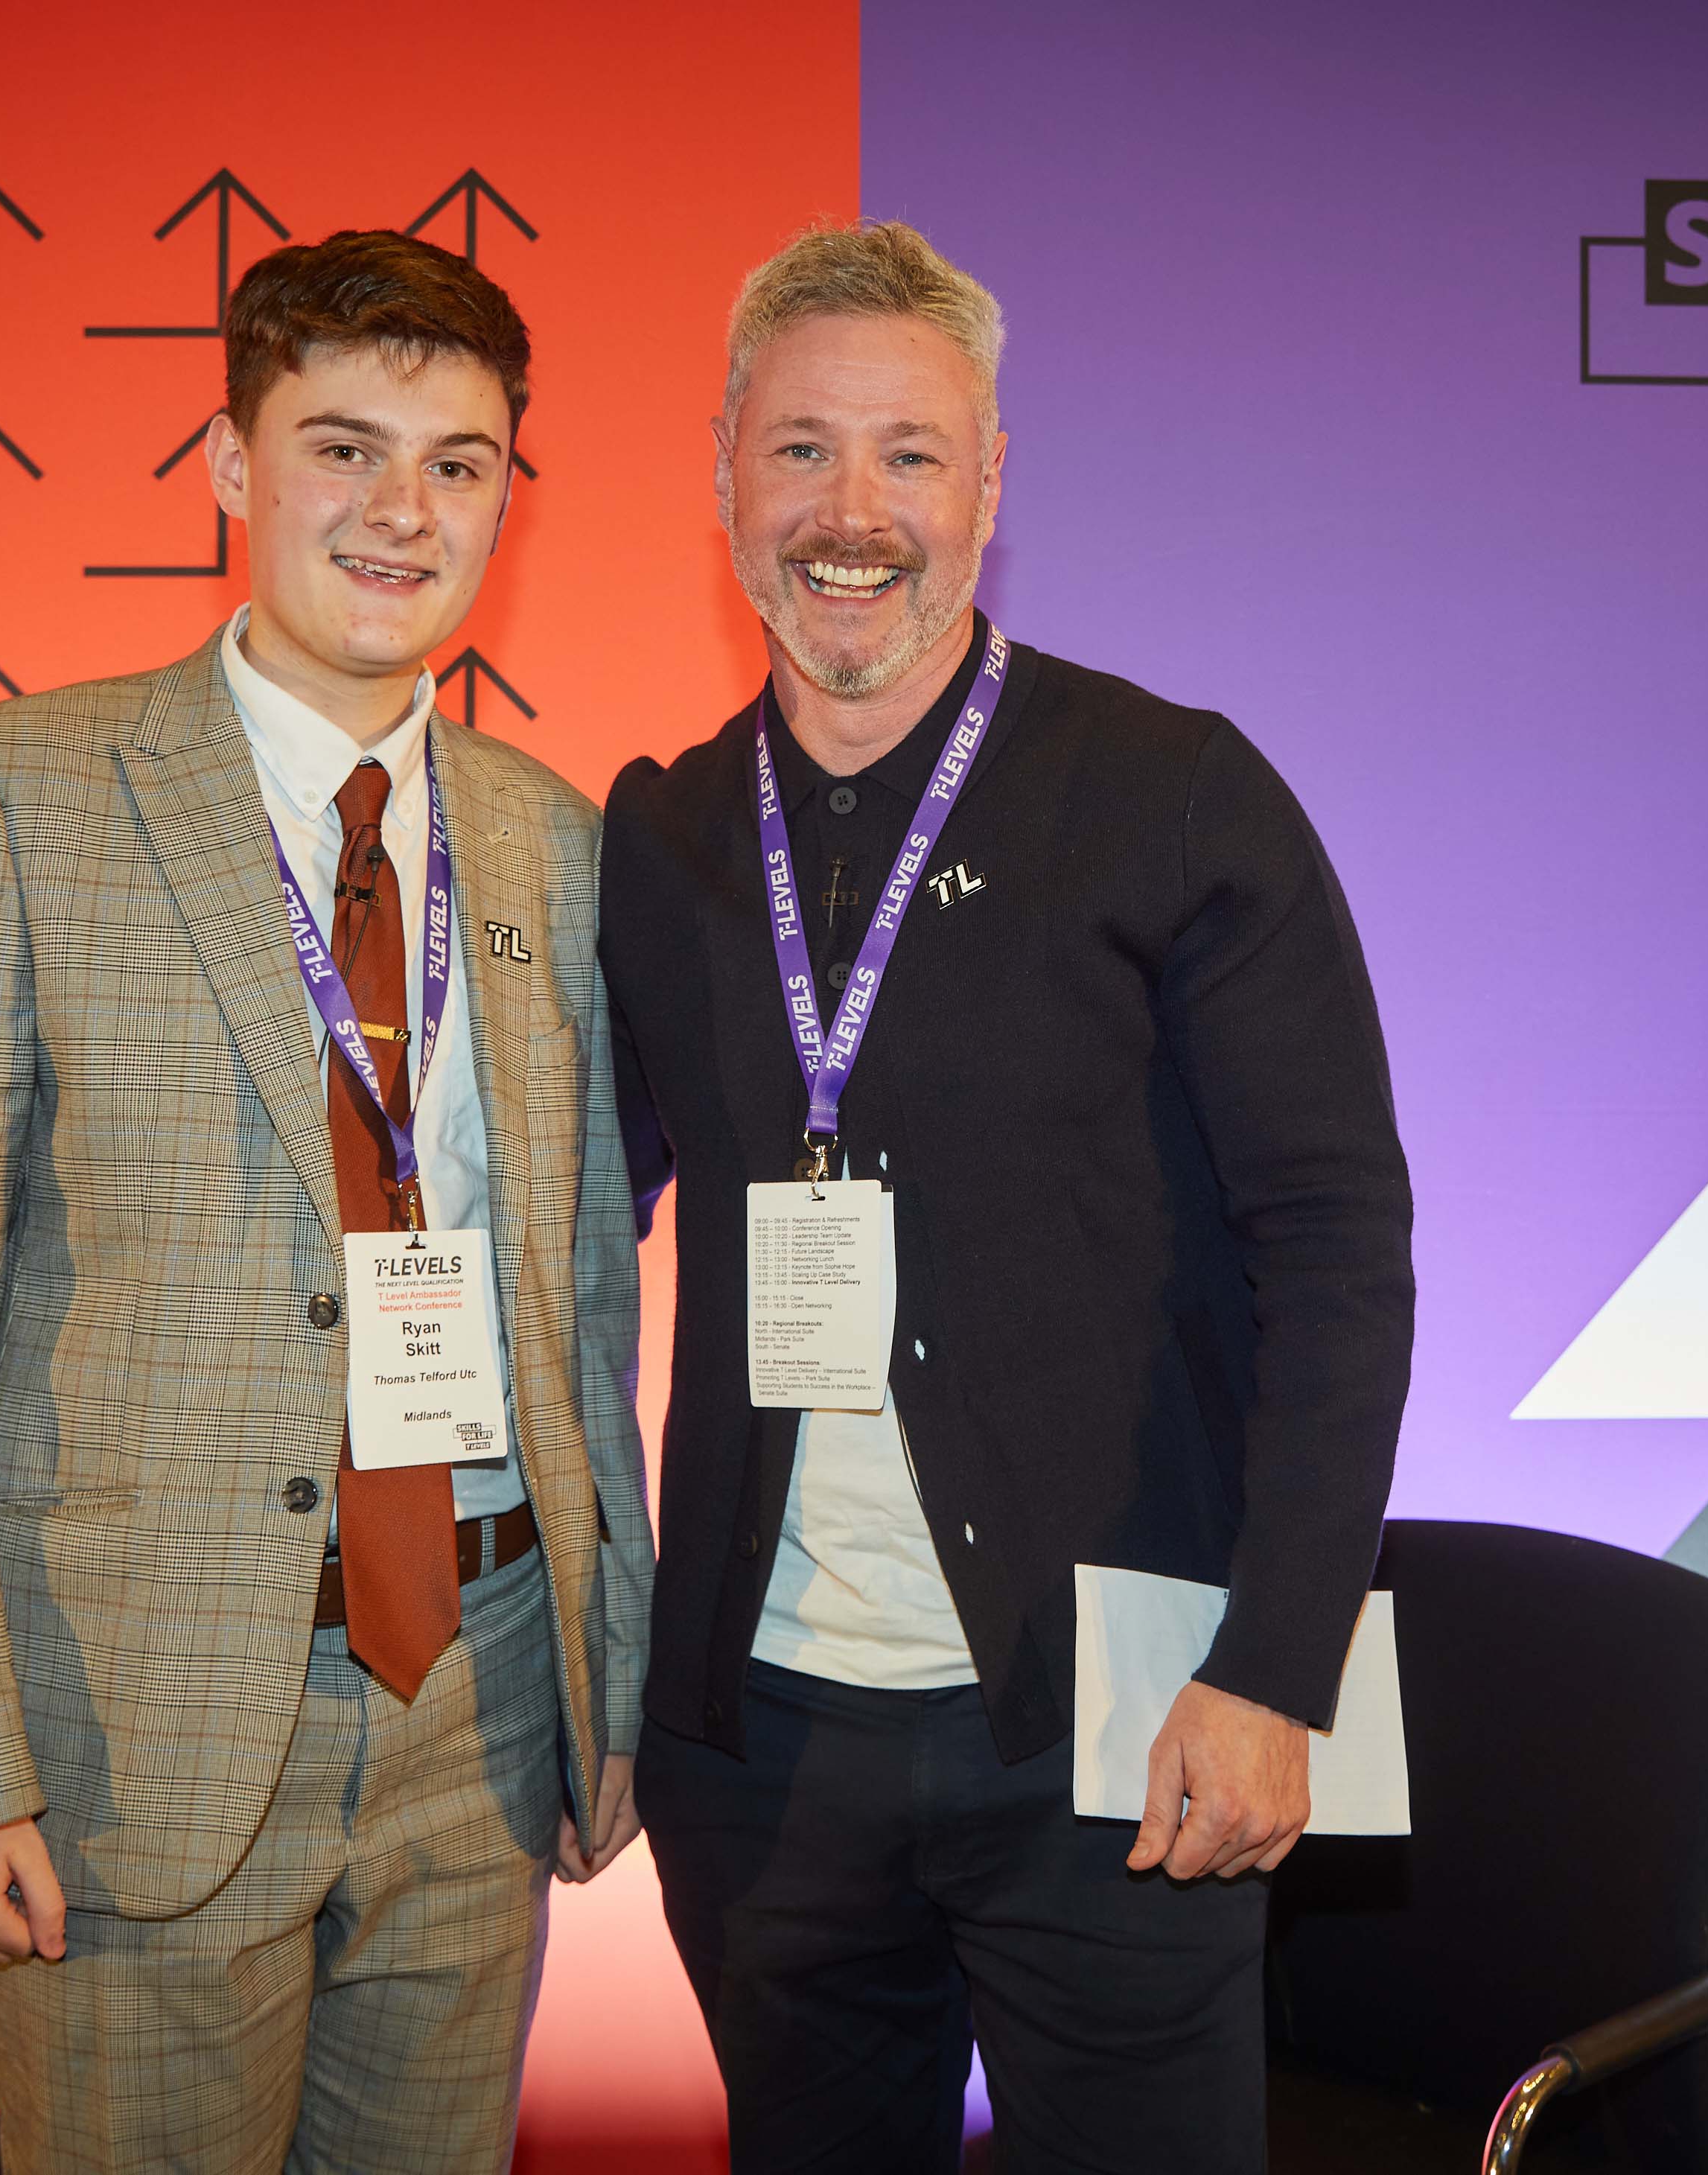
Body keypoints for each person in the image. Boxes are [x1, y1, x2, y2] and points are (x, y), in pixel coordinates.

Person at [0, 228, 650, 2174]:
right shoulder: (18, 795)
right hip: (135, 1728)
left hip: (479, 1701)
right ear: (228, 465)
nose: (401, 511)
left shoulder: (555, 841)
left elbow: (585, 1299)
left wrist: (601, 1686)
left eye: (457, 464)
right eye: (343, 448)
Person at [602, 220, 1414, 2172]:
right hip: (761, 1755)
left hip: (1126, 1733)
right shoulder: (659, 836)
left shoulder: (1173, 792)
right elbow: (553, 1243)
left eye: (910, 453)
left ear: (989, 484)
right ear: (723, 471)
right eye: (802, 449)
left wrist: (1276, 1667)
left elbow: (1337, 1252)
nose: (852, 513)